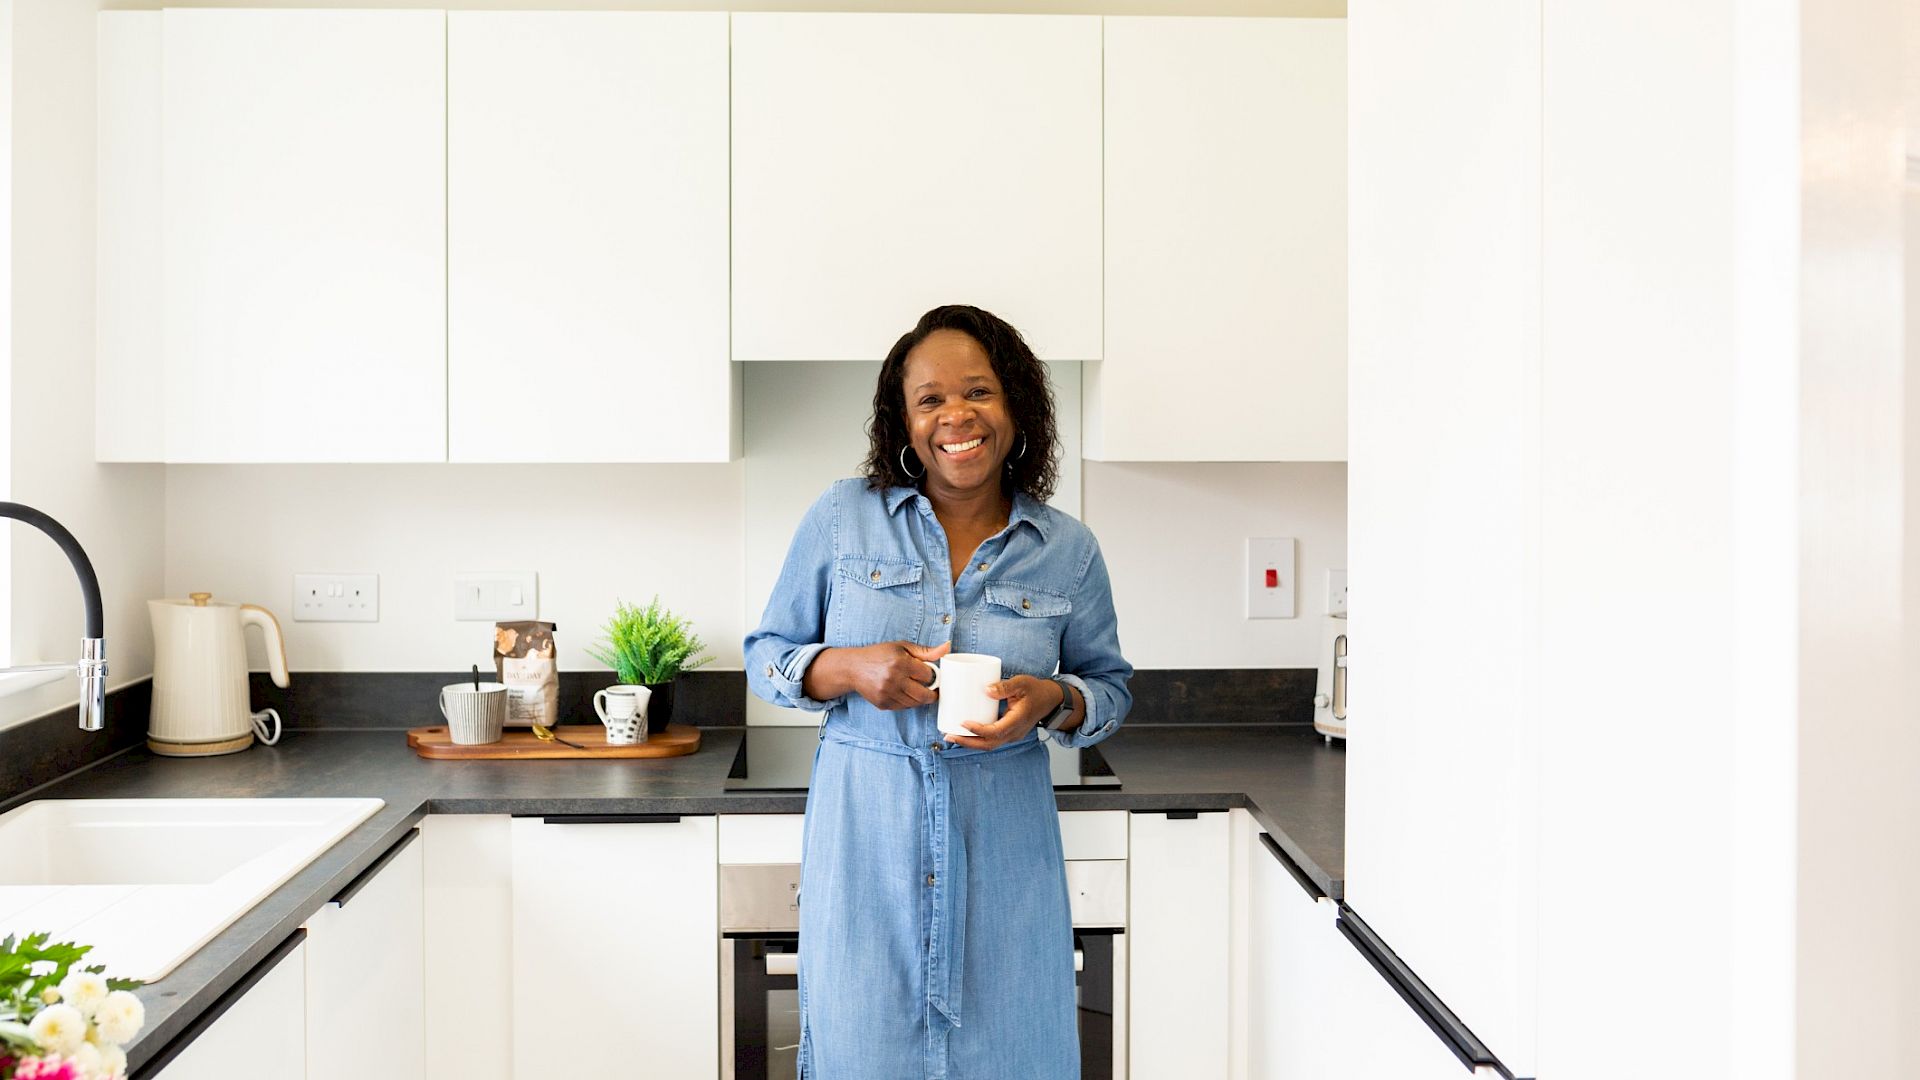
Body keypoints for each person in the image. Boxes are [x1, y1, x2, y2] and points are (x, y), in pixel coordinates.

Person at [745, 304, 1134, 1079]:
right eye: (930, 399)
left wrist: (1054, 697)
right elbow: (767, 657)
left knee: (1013, 1055)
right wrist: (851, 668)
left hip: (1005, 854)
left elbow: (1111, 691)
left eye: (980, 392)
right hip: (866, 851)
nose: (957, 415)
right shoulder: (841, 518)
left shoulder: (1067, 550)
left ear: (1016, 407)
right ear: (905, 421)